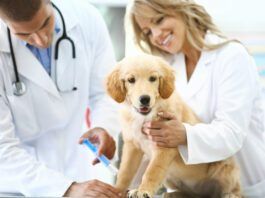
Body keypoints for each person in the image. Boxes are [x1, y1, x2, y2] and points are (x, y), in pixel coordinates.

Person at [125, 0, 265, 197]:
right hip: (190, 188)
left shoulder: (231, 56)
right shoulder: (166, 68)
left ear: (180, 8)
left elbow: (232, 133)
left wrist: (183, 134)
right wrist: (125, 188)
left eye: (159, 20)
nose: (156, 35)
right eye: (147, 32)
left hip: (242, 185)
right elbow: (153, 146)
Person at [0, 0, 121, 197]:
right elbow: (2, 147)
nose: (41, 40)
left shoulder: (86, 19)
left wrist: (105, 127)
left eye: (45, 23)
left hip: (79, 171)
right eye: (24, 34)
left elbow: (106, 92)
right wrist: (65, 188)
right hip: (17, 185)